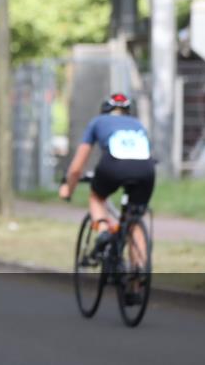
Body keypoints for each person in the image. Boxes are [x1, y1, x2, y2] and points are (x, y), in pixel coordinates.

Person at [59, 93, 155, 264]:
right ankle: (138, 277)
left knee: (97, 197)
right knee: (135, 220)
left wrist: (68, 189)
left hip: (113, 165)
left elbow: (76, 168)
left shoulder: (97, 122)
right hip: (146, 169)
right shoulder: (137, 124)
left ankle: (103, 232)